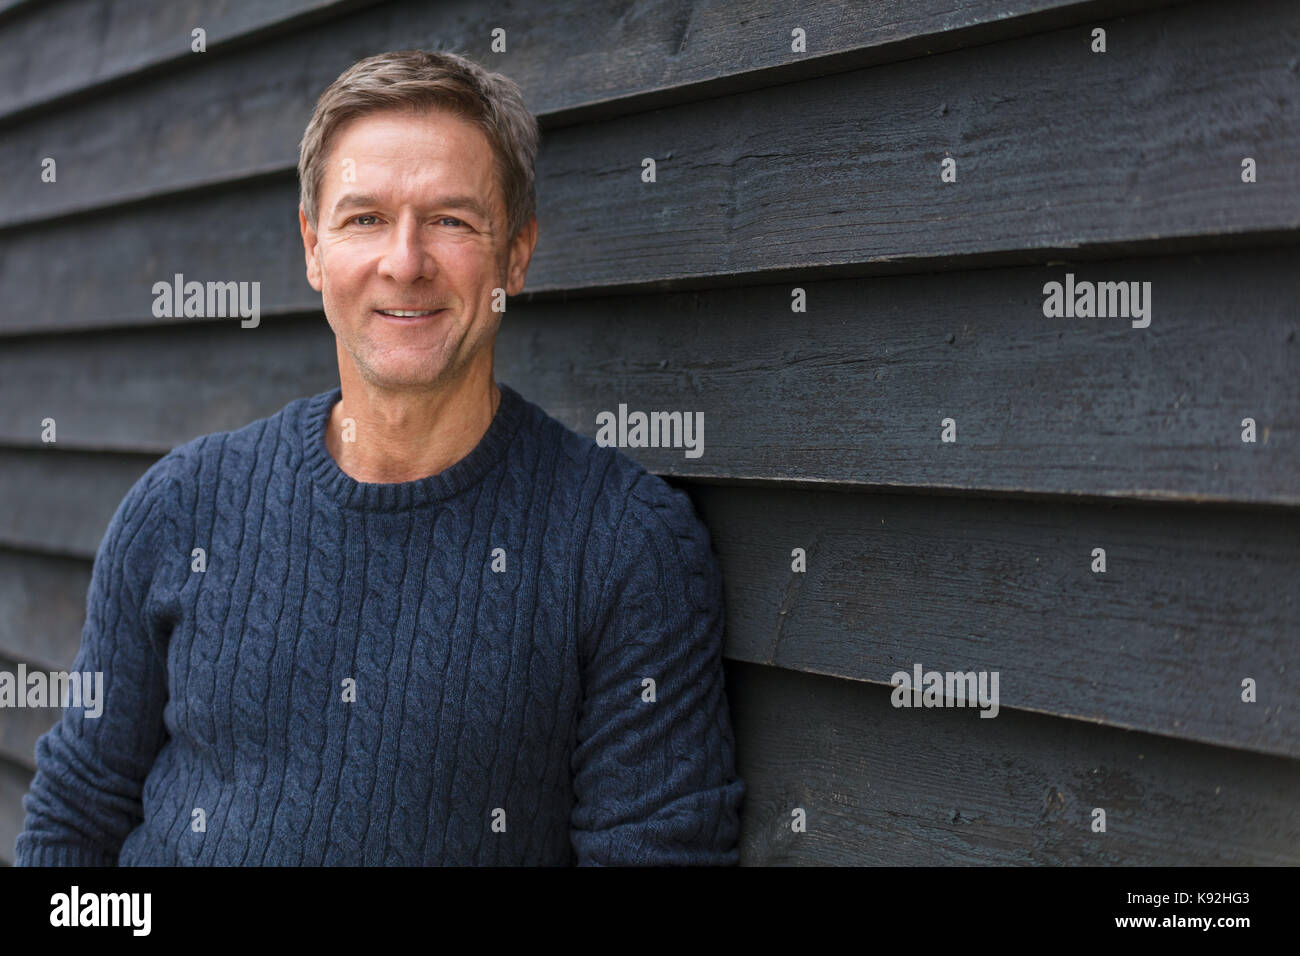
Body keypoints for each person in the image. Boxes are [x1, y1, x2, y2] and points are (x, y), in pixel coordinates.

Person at [15, 49, 744, 866]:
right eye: (365, 218)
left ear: (517, 253)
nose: (405, 261)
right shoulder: (178, 507)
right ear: (312, 247)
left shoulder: (622, 544)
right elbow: (73, 823)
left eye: (451, 220)